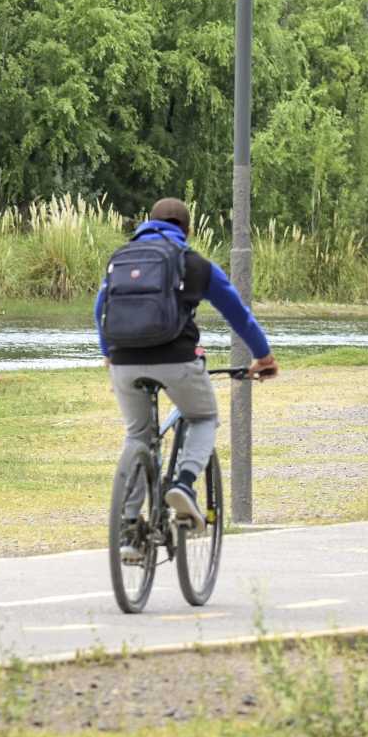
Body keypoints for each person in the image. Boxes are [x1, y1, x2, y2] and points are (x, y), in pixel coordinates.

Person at [94, 198, 278, 543]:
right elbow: (238, 314)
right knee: (203, 416)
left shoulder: (122, 258)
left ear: (146, 224)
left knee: (138, 435)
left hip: (123, 361)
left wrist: (108, 355)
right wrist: (263, 357)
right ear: (188, 230)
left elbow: (99, 309)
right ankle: (183, 483)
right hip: (177, 359)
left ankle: (129, 527)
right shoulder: (194, 263)